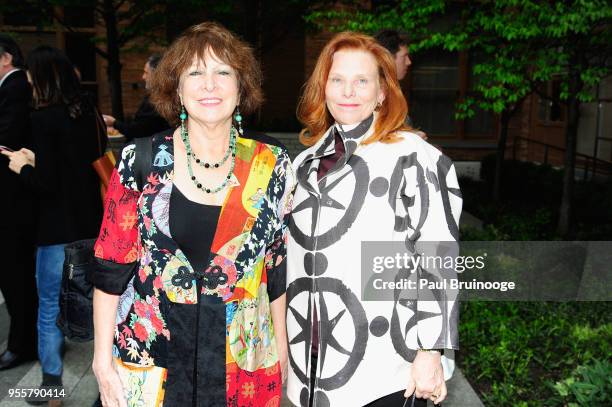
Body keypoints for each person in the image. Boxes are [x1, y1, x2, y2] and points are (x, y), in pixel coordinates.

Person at [90, 22, 293, 407]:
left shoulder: (271, 165)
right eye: (195, 73)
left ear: (240, 87)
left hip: (242, 364)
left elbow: (276, 269)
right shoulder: (140, 161)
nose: (209, 85)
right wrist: (102, 361)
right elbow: (110, 267)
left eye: (223, 72)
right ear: (177, 89)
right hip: (150, 360)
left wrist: (280, 349)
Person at [286, 32, 462, 406]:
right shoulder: (303, 163)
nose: (348, 91)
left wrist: (431, 351)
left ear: (383, 91)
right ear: (324, 88)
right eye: (337, 80)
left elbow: (437, 255)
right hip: (313, 367)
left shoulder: (415, 157)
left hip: (387, 369)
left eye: (362, 81)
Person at [2, 46, 105, 399]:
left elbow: (46, 185)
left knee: (49, 309)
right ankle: (109, 382)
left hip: (57, 231)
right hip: (93, 225)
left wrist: (23, 166)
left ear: (43, 77)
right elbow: (80, 163)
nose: (27, 79)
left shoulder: (42, 120)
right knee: (99, 307)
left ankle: (51, 388)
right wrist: (38, 159)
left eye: (31, 73)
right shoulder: (86, 110)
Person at [0, 34, 38, 371]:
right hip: (12, 200)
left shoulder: (15, 89)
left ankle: (22, 343)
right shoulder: (11, 88)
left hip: (13, 202)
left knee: (15, 274)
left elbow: (7, 141)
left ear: (6, 57)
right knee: (14, 275)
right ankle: (24, 341)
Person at [102, 54, 171, 141]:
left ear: (156, 74)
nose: (143, 77)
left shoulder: (159, 99)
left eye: (146, 73)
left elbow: (138, 130)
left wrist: (114, 123)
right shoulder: (158, 96)